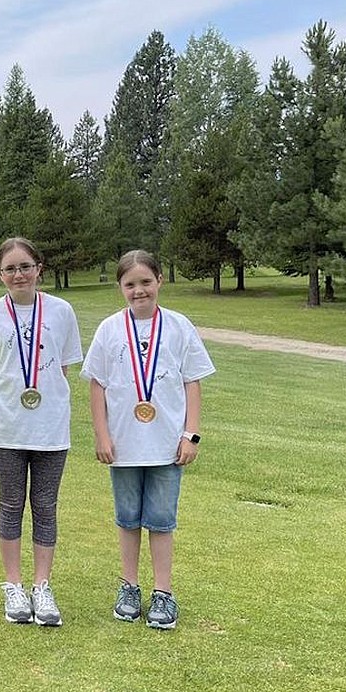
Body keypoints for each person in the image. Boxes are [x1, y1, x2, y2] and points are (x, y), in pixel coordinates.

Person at [81, 249, 215, 630]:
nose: (138, 290)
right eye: (130, 284)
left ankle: (163, 592)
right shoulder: (109, 329)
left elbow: (192, 382)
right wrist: (102, 433)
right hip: (122, 445)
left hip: (166, 445)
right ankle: (129, 586)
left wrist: (191, 434)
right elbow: (97, 385)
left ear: (160, 281)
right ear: (120, 288)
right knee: (127, 519)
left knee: (160, 520)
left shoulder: (178, 326)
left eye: (145, 282)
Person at [0, 238, 83, 627]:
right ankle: (14, 586)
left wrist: (40, 401)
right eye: (10, 269)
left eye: (25, 266)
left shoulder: (61, 311)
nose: (18, 274)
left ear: (39, 267)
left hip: (51, 426)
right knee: (11, 504)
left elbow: (63, 369)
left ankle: (42, 586)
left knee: (46, 506)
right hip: (5, 429)